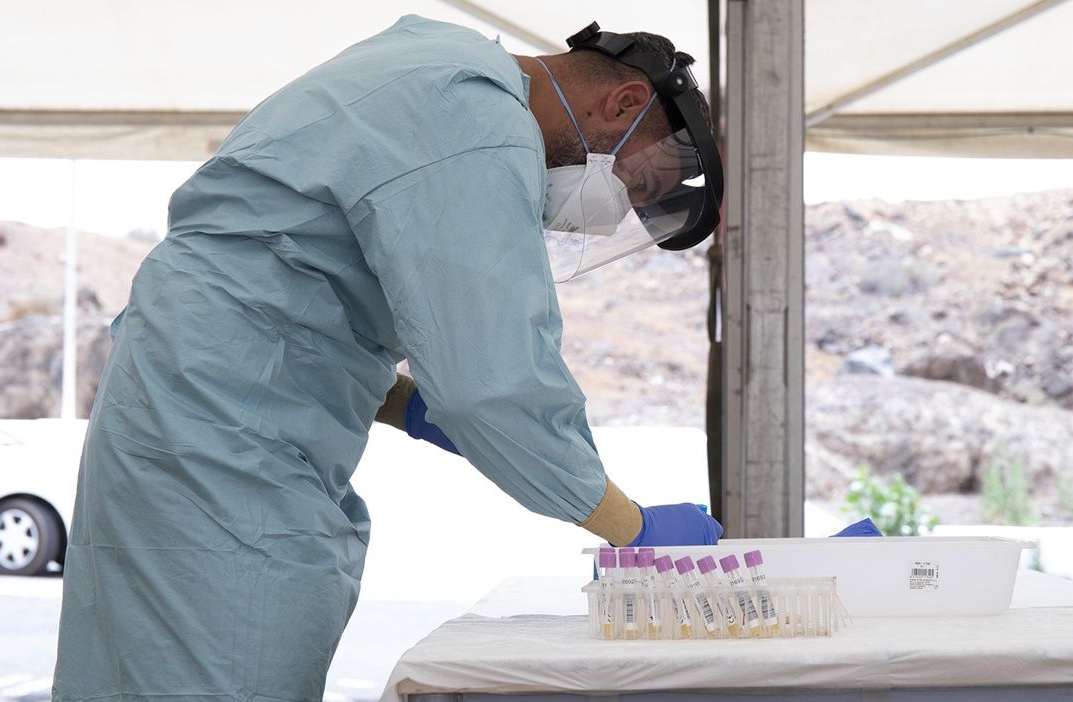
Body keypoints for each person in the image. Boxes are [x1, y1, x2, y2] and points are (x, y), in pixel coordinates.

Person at [52, 15, 724, 702]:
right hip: (218, 456)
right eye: (637, 186)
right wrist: (633, 529)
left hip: (195, 419)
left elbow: (291, 296)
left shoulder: (432, 62)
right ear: (623, 103)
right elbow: (495, 383)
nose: (610, 215)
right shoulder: (475, 122)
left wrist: (410, 406)